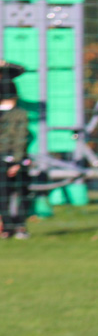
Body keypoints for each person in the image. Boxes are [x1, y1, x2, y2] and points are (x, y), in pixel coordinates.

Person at [0, 62, 33, 239]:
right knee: (20, 192)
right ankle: (18, 226)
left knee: (4, 195)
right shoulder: (19, 114)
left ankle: (8, 228)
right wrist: (18, 161)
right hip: (12, 159)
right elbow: (20, 139)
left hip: (5, 159)